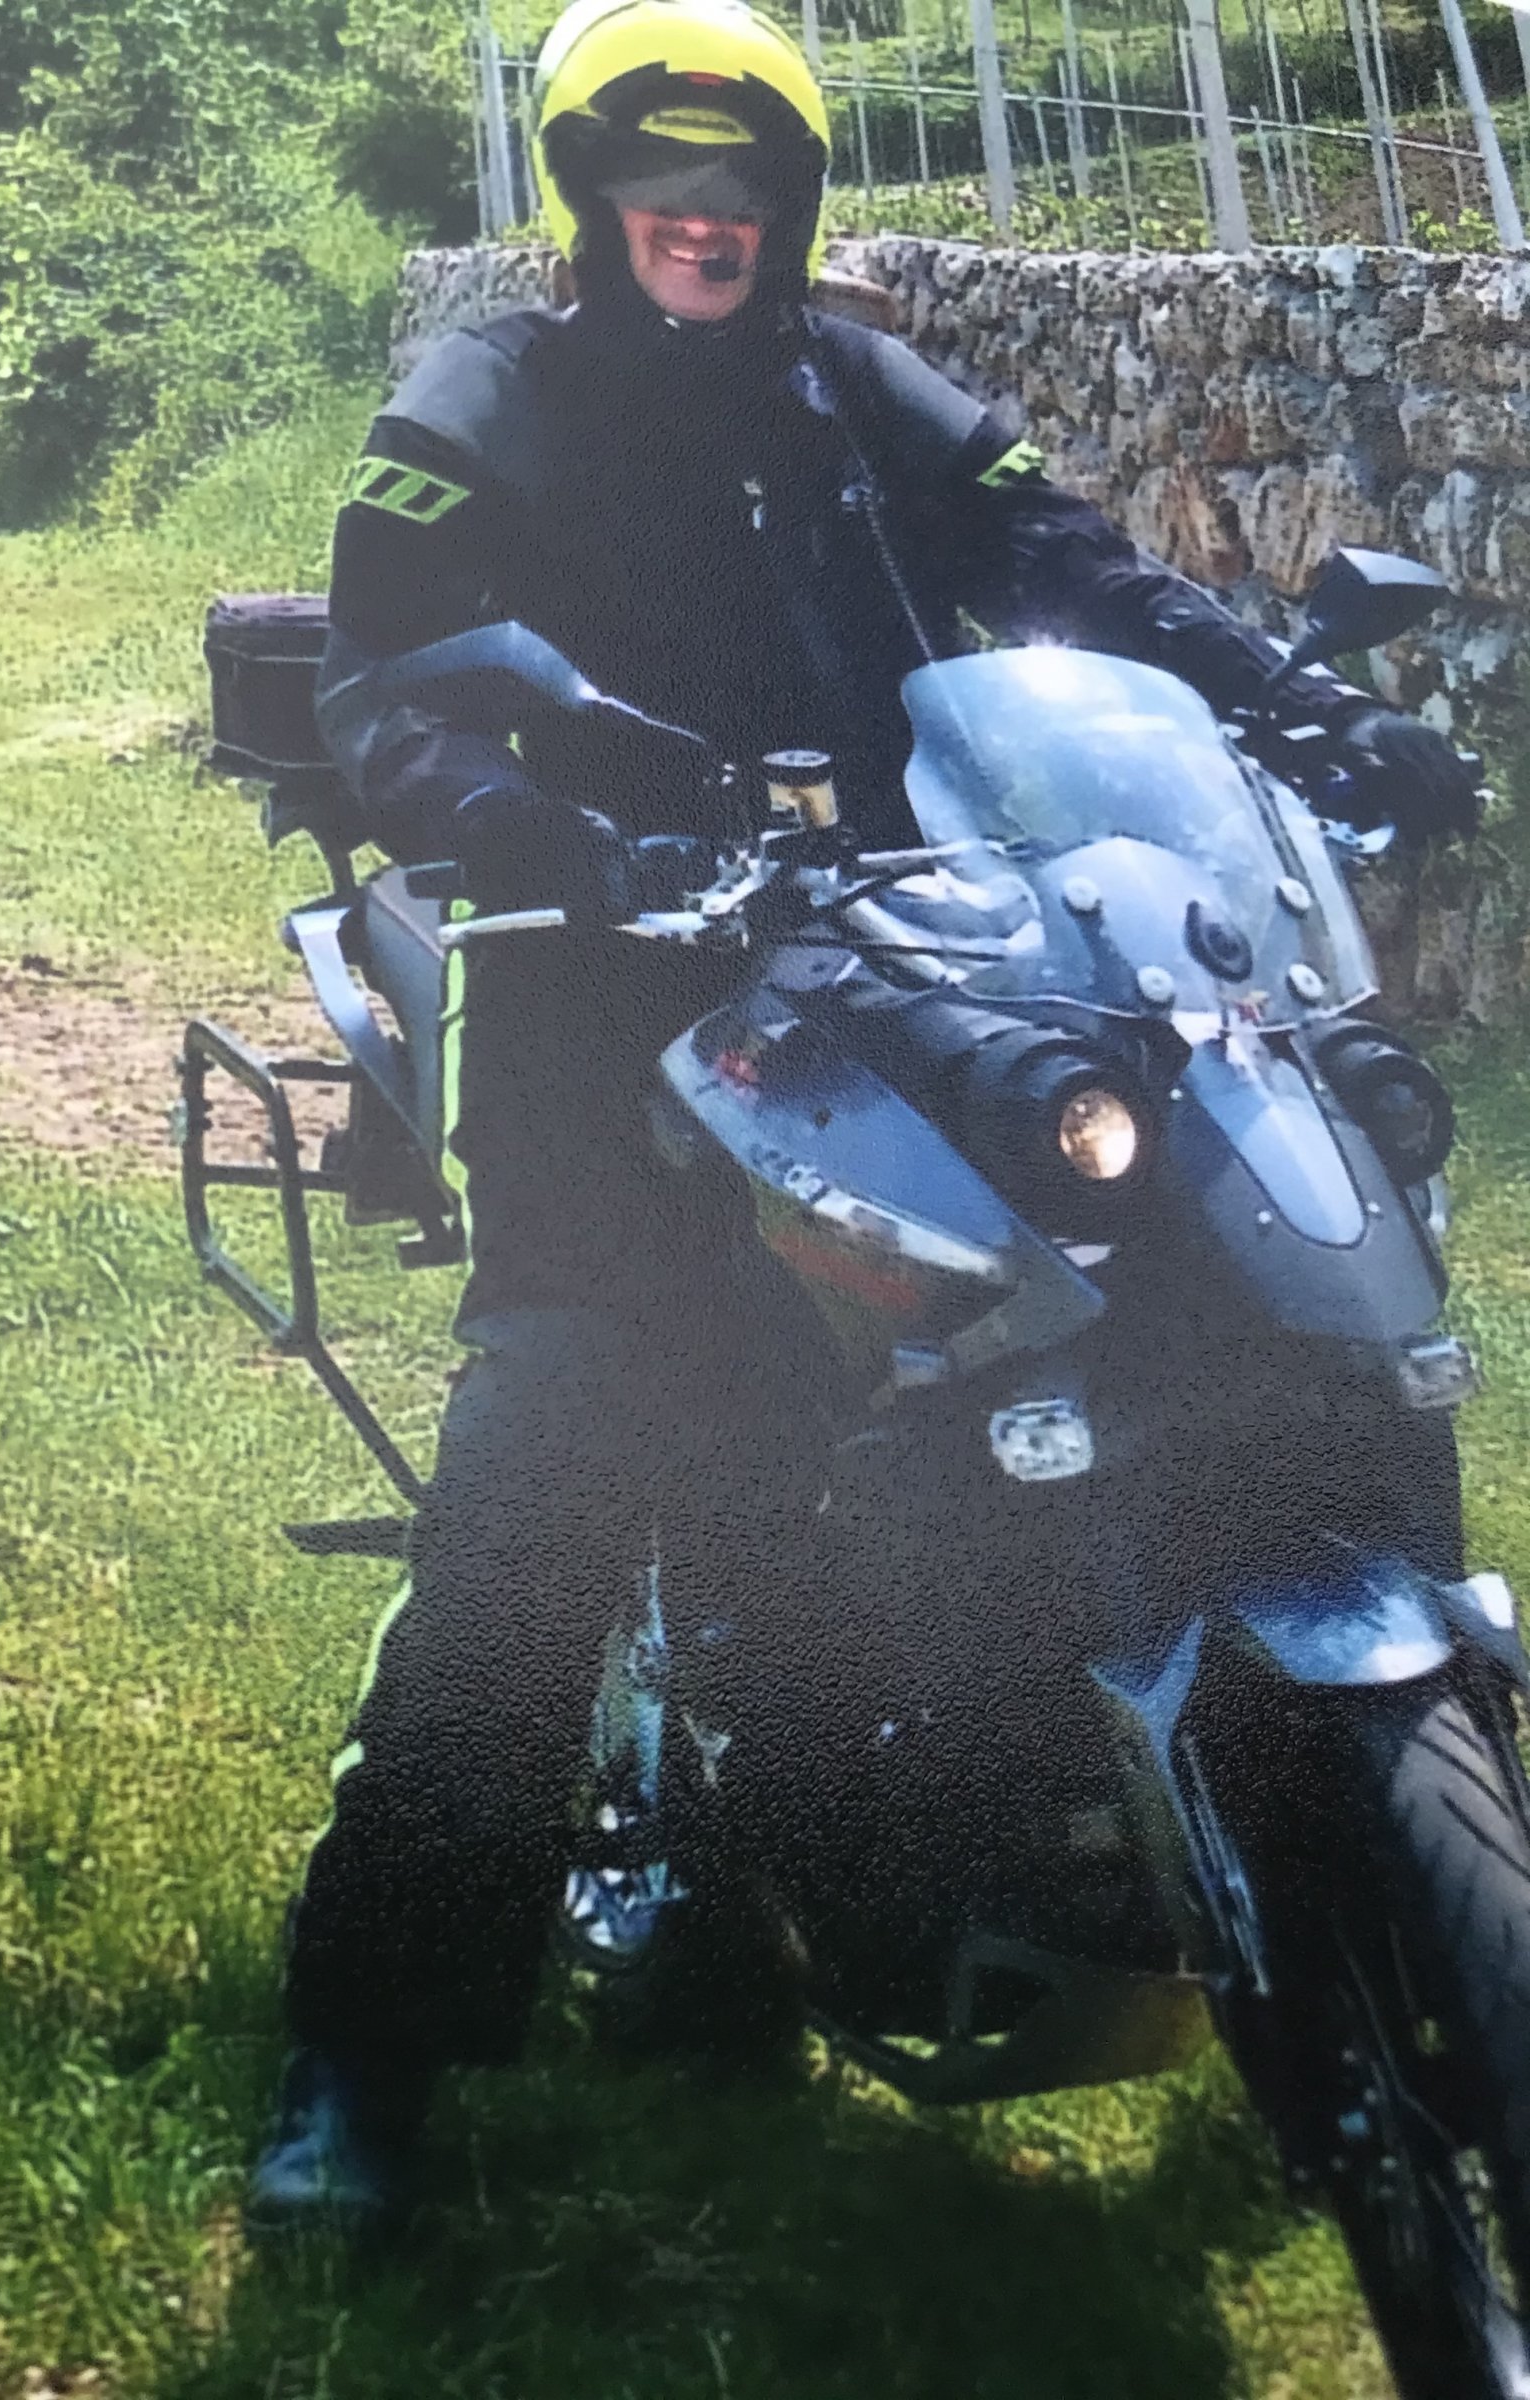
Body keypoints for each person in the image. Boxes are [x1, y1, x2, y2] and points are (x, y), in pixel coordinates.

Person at [248, 0, 1488, 2242]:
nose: (702, 219)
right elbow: (383, 680)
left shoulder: (856, 381)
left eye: (740, 186)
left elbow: (1074, 570)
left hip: (910, 946)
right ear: (591, 197)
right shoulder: (487, 397)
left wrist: (1291, 705)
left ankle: (1265, 1846)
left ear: (790, 205)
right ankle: (369, 2051)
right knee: (554, 1481)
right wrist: (543, 827)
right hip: (599, 981)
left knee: (1194, 1291)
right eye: (660, 181)